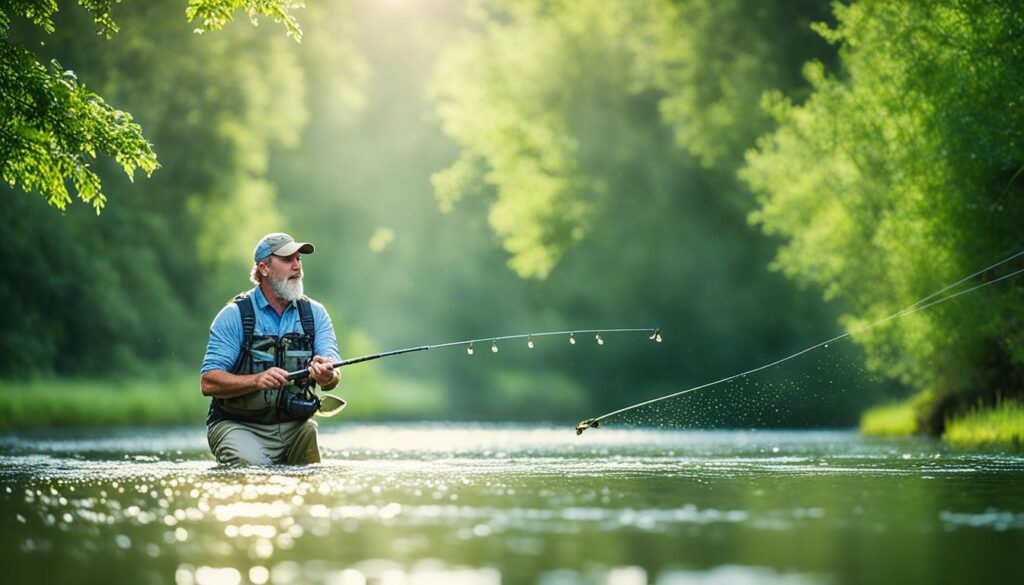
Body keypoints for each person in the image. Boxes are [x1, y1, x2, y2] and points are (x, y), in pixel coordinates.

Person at [200, 233, 341, 466]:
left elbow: (332, 376)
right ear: (263, 268)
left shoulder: (315, 314)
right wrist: (257, 380)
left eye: (299, 259)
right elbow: (208, 382)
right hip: (237, 426)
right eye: (287, 260)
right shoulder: (234, 315)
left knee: (310, 470)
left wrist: (327, 374)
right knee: (251, 471)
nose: (297, 266)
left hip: (295, 428)